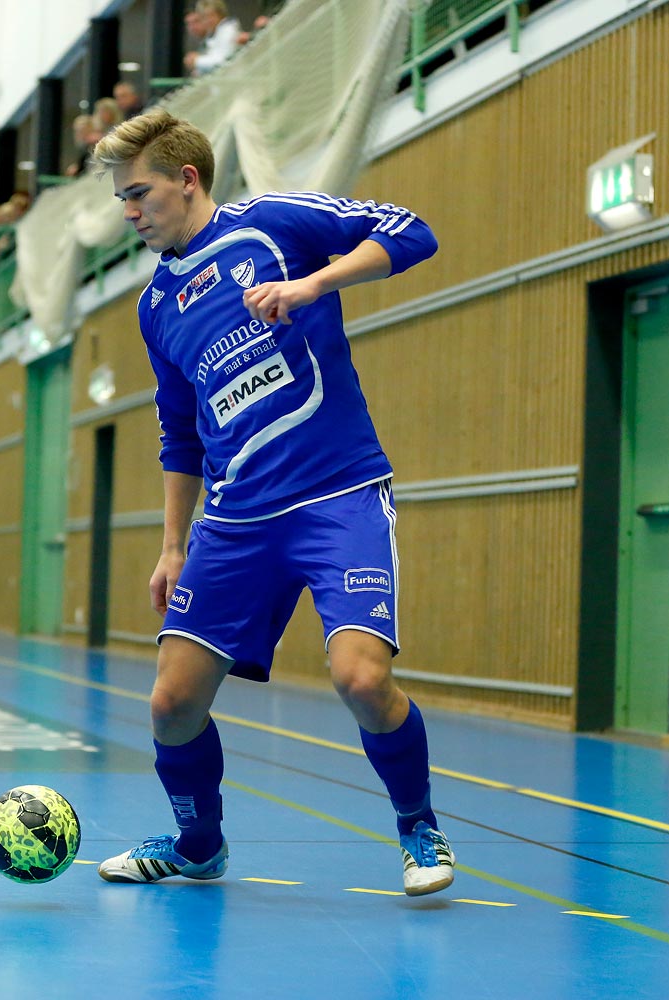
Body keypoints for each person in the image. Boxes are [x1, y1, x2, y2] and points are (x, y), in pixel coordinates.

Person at [87, 109, 453, 895]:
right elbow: (180, 433)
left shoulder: (274, 225)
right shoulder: (156, 307)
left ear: (187, 180)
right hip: (236, 517)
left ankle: (418, 827)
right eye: (121, 199)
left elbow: (412, 230)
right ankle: (198, 844)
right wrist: (174, 544)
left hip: (338, 495)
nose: (129, 213)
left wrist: (313, 284)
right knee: (171, 705)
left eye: (139, 193)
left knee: (360, 678)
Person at [183, 0, 243, 77]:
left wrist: (196, 61)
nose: (207, 21)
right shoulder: (214, 33)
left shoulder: (229, 30)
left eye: (211, 16)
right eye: (204, 17)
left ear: (220, 14)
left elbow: (223, 62)